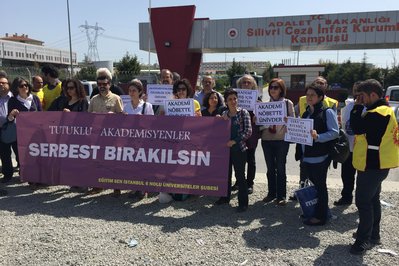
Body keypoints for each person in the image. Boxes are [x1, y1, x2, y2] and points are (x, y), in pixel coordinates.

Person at [349, 79, 399, 255]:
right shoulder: (381, 111)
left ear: (373, 95)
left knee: (363, 201)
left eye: (361, 97)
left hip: (372, 165)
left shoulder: (378, 112)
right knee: (372, 200)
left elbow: (356, 127)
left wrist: (355, 108)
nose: (359, 100)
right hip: (376, 164)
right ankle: (373, 235)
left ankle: (362, 240)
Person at [295, 83, 339, 226]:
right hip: (307, 157)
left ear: (320, 97)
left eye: (313, 95)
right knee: (312, 186)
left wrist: (318, 137)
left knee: (320, 187)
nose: (309, 97)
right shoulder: (306, 113)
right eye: (307, 95)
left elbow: (334, 133)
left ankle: (321, 217)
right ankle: (313, 211)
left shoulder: (327, 112)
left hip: (320, 157)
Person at [215, 89, 252, 212]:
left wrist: (235, 141)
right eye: (230, 99)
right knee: (225, 175)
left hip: (239, 149)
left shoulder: (243, 113)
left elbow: (248, 132)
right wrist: (218, 119)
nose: (233, 101)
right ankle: (224, 198)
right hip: (225, 150)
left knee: (240, 176)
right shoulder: (224, 114)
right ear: (226, 101)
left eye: (234, 99)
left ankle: (243, 203)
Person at [88, 73, 124, 196]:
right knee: (98, 161)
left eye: (104, 84)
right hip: (97, 135)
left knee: (114, 161)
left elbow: (123, 117)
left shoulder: (116, 98)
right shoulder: (93, 99)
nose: (102, 86)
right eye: (99, 84)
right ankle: (98, 185)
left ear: (109, 84)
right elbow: (88, 116)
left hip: (112, 136)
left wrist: (114, 116)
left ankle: (116, 187)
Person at [261, 78, 295, 206]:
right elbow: (259, 124)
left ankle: (281, 196)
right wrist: (256, 118)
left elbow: (294, 122)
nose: (273, 90)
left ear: (281, 89)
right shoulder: (264, 105)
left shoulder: (287, 103)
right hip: (266, 140)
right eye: (271, 87)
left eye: (276, 87)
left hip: (281, 140)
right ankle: (271, 193)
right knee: (270, 168)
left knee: (280, 168)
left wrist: (288, 120)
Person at [7, 77, 42, 186]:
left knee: (37, 155)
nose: (25, 87)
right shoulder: (13, 100)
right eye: (21, 86)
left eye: (26, 85)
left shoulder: (35, 99)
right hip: (21, 134)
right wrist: (11, 115)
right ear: (16, 88)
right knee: (24, 157)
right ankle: (29, 177)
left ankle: (38, 177)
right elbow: (9, 120)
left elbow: (42, 115)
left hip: (36, 133)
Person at [334, 81, 363, 206]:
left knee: (362, 177)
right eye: (355, 90)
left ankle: (362, 200)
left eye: (360, 91)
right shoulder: (348, 105)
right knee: (346, 174)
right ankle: (346, 196)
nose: (357, 94)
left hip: (362, 148)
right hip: (348, 147)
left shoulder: (370, 107)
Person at [232, 74, 260, 194]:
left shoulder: (258, 100)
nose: (246, 84)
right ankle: (239, 181)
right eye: (244, 82)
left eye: (249, 82)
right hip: (237, 132)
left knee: (250, 159)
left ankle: (250, 183)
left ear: (253, 85)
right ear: (240, 84)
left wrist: (258, 118)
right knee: (238, 159)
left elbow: (263, 117)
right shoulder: (235, 99)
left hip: (251, 132)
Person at [0, 74, 15, 185]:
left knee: (20, 152)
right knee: (4, 154)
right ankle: (7, 174)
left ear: (8, 85)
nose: (1, 85)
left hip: (15, 130)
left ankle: (25, 173)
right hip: (1, 130)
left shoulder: (15, 97)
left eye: (3, 83)